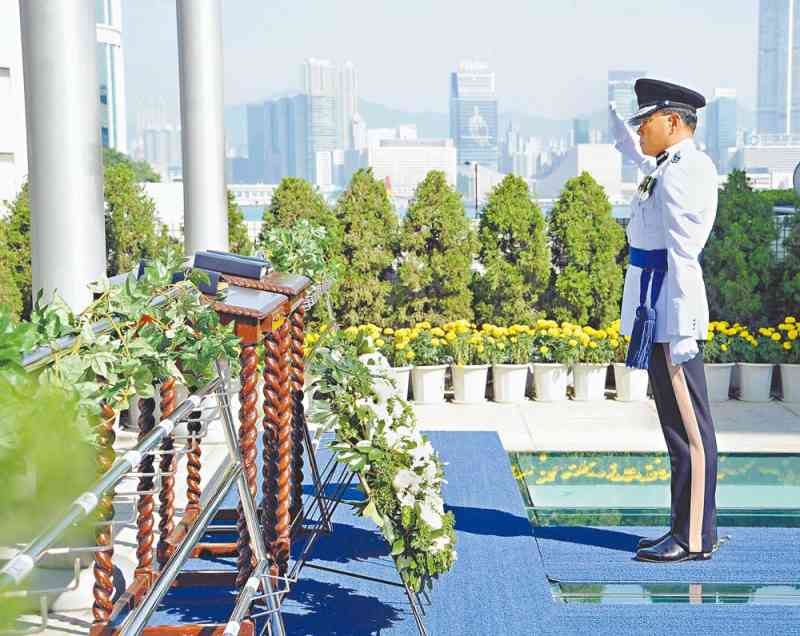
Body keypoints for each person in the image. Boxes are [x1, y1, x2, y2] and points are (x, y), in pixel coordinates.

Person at [610, 78, 719, 563]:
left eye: (645, 122)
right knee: (677, 429)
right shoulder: (668, 166)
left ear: (673, 122)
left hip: (671, 315)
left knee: (690, 432)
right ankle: (688, 528)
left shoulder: (685, 171)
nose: (639, 132)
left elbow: (683, 253)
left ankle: (694, 537)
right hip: (656, 311)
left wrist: (680, 331)